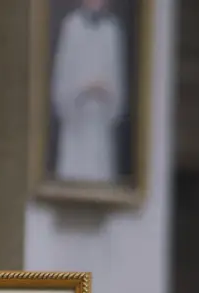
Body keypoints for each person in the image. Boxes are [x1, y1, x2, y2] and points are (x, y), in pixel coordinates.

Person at [50, 0, 126, 182]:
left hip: (100, 121)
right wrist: (82, 89)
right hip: (76, 121)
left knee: (99, 172)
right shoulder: (71, 26)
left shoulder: (112, 30)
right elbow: (62, 76)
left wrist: (106, 91)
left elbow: (117, 77)